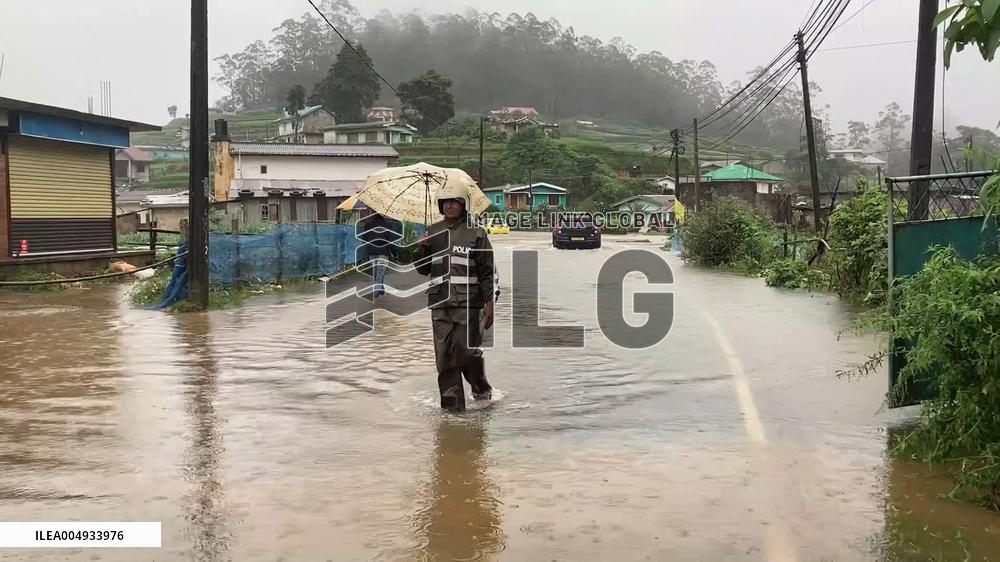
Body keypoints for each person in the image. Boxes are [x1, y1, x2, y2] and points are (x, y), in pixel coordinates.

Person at [415, 183, 497, 413]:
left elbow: (487, 272)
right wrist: (421, 249)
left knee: (467, 353)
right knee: (445, 359)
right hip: (440, 304)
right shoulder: (432, 232)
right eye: (445, 202)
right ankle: (453, 411)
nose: (449, 206)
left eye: (454, 202)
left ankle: (481, 389)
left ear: (463, 204)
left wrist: (490, 304)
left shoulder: (476, 233)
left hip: (468, 303)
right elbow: (423, 270)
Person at [357, 212, 401, 298]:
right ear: (383, 216)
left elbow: (364, 240)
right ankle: (376, 292)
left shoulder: (368, 226)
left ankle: (380, 290)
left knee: (376, 273)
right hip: (383, 253)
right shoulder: (388, 226)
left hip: (371, 252)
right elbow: (391, 243)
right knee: (380, 273)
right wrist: (395, 254)